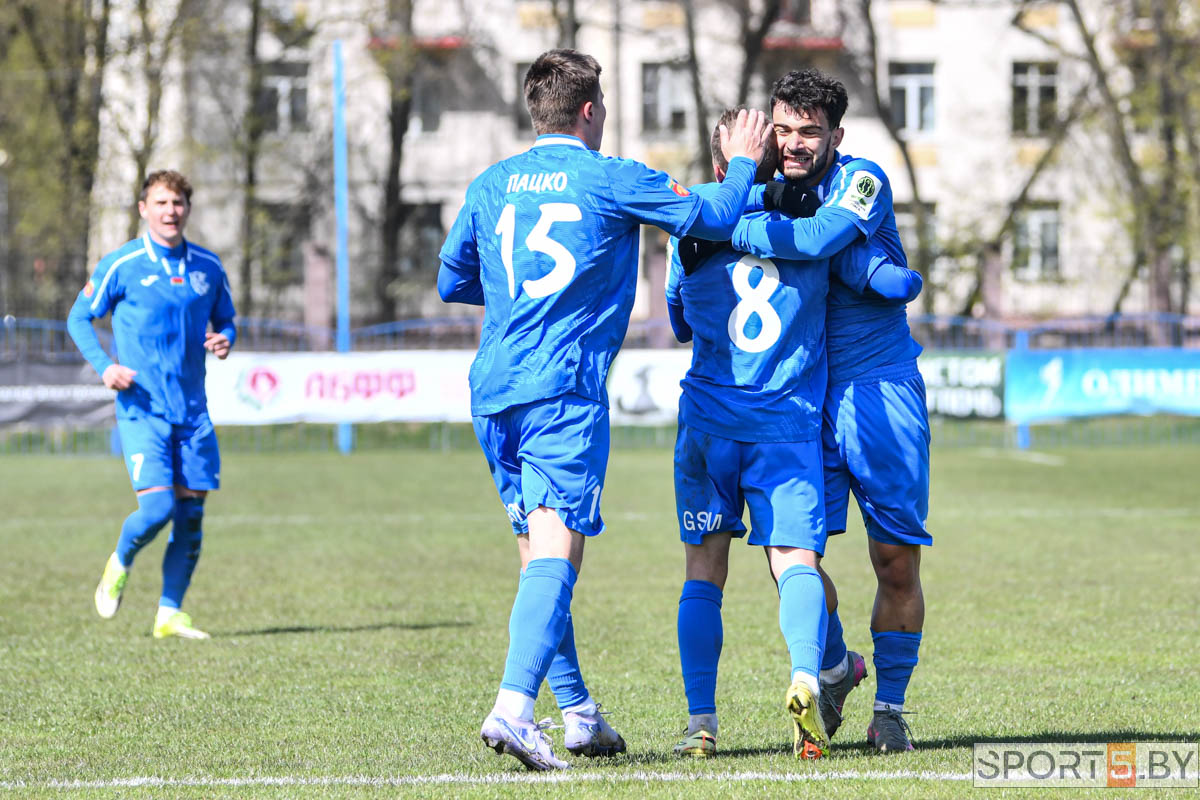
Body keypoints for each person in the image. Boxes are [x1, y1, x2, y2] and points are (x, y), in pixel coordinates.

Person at [437, 49, 771, 771]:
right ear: (591, 110)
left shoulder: (490, 183)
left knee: (538, 557)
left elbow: (451, 279)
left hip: (493, 389)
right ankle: (513, 709)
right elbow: (713, 218)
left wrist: (521, 296)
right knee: (557, 556)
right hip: (561, 392)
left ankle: (580, 714)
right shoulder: (612, 177)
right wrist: (744, 160)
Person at [667, 109, 920, 760]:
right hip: (785, 425)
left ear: (721, 166)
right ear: (772, 158)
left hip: (708, 423)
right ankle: (811, 673)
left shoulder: (691, 219)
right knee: (795, 561)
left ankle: (701, 724)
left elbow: (679, 321)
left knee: (703, 572)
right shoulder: (807, 225)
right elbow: (872, 275)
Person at [727, 69, 931, 753]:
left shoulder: (862, 179)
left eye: (809, 132)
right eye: (783, 129)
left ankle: (891, 710)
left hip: (879, 392)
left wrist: (750, 222)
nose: (793, 143)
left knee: (894, 560)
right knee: (789, 555)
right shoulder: (760, 183)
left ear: (836, 135)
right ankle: (838, 666)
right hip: (799, 397)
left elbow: (817, 241)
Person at [67, 170, 236, 641]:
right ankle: (120, 561)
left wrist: (225, 339)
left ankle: (169, 613)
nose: (170, 211)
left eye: (178, 202)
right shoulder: (122, 264)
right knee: (159, 508)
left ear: (188, 209)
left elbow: (226, 319)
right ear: (144, 209)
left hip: (193, 414)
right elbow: (78, 317)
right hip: (142, 410)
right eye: (161, 202)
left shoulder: (208, 267)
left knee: (191, 517)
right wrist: (106, 367)